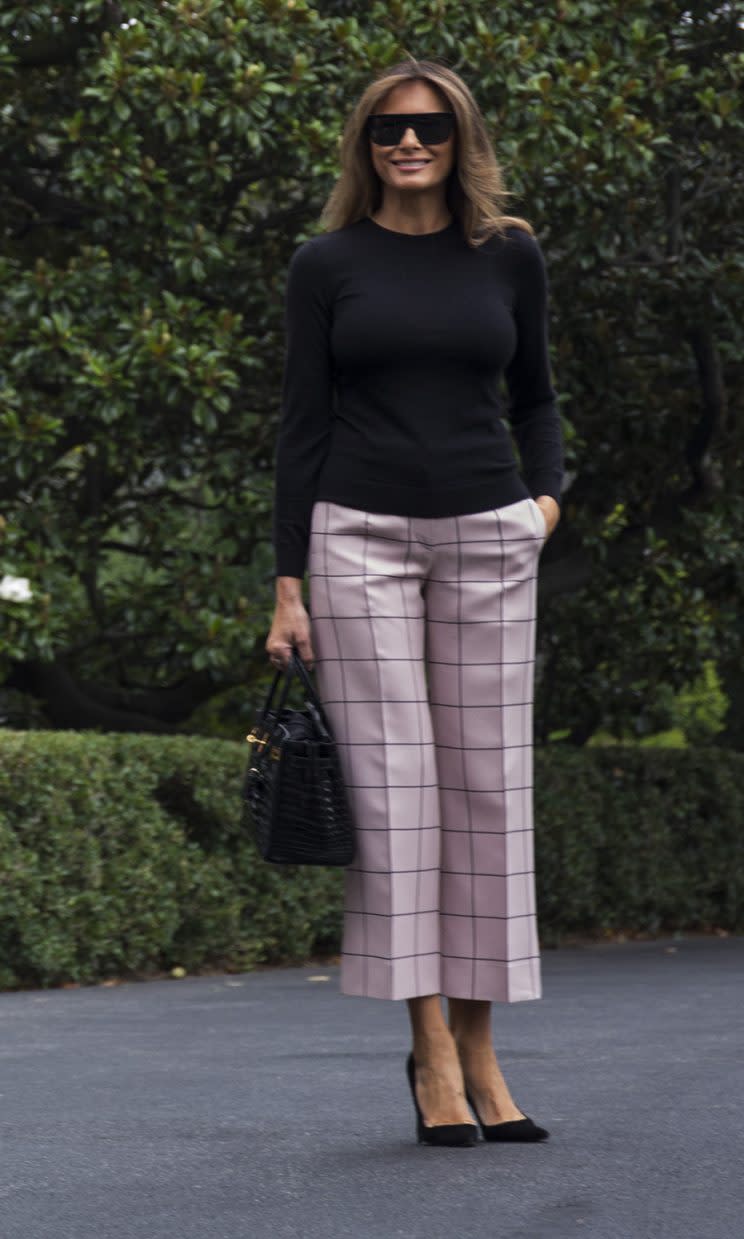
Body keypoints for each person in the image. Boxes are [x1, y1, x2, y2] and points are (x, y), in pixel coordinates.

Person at [266, 56, 564, 1147]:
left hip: (491, 536)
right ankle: (432, 1051)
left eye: (431, 126)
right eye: (391, 127)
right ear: (365, 141)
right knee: (398, 806)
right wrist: (287, 580)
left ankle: (488, 1054)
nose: (409, 142)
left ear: (459, 137)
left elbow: (537, 398)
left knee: (488, 796)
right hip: (360, 541)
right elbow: (301, 423)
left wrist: (544, 507)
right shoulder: (325, 263)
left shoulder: (509, 255)